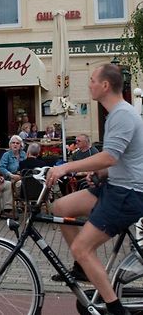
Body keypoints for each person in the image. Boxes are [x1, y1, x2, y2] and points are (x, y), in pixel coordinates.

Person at [46, 64, 143, 315]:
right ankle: (82, 267)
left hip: (126, 194)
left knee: (82, 246)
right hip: (114, 186)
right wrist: (99, 173)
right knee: (61, 207)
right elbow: (120, 160)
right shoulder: (116, 114)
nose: (88, 84)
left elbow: (109, 157)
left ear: (105, 85)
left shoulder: (122, 114)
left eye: (91, 80)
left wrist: (67, 167)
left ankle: (115, 309)